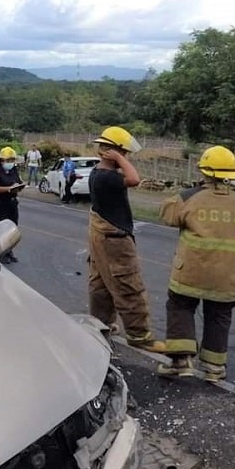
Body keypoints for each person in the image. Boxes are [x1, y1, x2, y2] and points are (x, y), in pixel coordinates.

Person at [156, 146, 235, 382]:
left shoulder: (188, 197)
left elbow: (167, 215)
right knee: (219, 316)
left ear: (204, 172)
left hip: (191, 271)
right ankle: (214, 367)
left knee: (180, 307)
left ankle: (181, 361)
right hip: (227, 276)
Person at [87, 126, 165, 353]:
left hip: (101, 235)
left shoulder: (96, 172)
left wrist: (117, 157)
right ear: (112, 152)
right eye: (123, 152)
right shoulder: (108, 177)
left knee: (100, 283)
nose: (127, 156)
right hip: (114, 238)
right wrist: (119, 158)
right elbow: (134, 179)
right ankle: (140, 335)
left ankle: (101, 325)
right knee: (127, 284)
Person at [0, 147, 24, 263]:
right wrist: (8, 189)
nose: (10, 163)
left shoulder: (14, 170)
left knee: (12, 229)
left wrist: (17, 187)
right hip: (0, 204)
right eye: (7, 160)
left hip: (12, 203)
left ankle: (9, 251)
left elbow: (18, 182)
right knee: (2, 230)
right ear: (1, 160)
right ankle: (1, 254)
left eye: (12, 160)